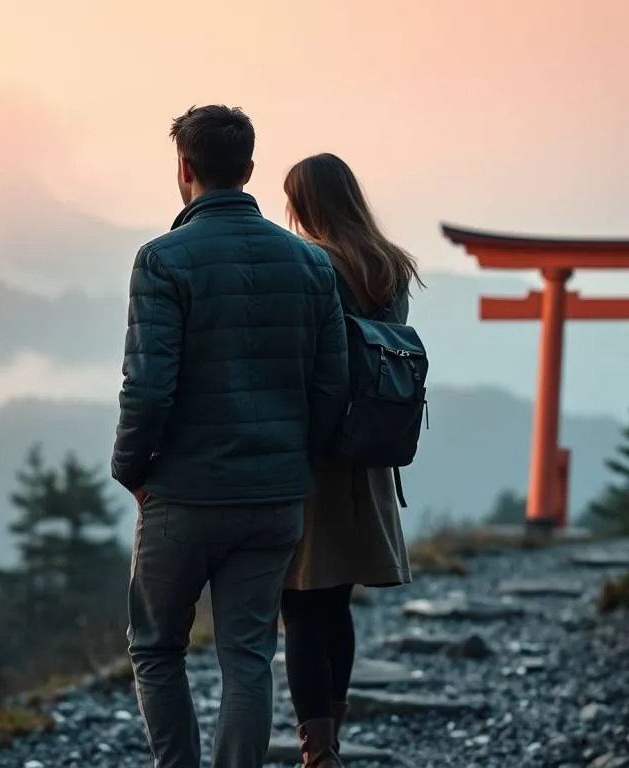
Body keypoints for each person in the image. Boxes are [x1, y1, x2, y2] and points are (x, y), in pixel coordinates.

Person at [112, 106, 350, 768]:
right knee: (246, 654)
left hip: (183, 493)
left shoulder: (161, 260)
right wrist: (297, 459)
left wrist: (130, 468)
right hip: (276, 496)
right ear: (248, 171)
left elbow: (148, 387)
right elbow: (332, 386)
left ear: (183, 169)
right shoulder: (309, 263)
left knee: (157, 646)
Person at [278, 153, 425, 768]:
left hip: (316, 456)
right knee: (334, 605)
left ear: (305, 204)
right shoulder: (391, 265)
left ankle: (319, 753)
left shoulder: (313, 265)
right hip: (369, 456)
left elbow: (302, 361)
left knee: (300, 603)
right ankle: (328, 739)